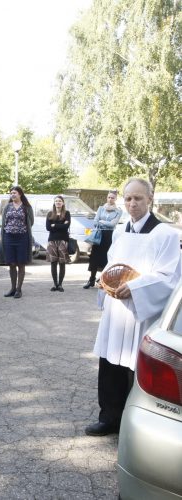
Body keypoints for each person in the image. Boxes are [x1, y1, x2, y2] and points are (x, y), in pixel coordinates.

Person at [85, 178, 181, 437]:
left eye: (138, 198)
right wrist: (104, 281)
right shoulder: (119, 231)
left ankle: (133, 425)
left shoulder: (166, 235)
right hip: (116, 310)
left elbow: (169, 276)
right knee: (109, 363)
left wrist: (137, 288)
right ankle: (109, 417)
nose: (132, 203)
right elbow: (111, 264)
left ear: (150, 199)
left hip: (141, 311)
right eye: (128, 198)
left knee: (136, 368)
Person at [0, 186, 34, 298]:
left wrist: (19, 228)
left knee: (21, 264)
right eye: (11, 193)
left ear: (20, 194)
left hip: (22, 238)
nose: (12, 195)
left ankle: (19, 289)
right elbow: (4, 222)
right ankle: (13, 288)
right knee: (12, 264)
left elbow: (30, 222)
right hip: (8, 238)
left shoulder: (26, 207)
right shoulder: (7, 207)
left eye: (14, 193)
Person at [83, 191, 122, 289]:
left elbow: (113, 224)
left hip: (109, 236)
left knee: (106, 258)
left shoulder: (118, 211)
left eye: (112, 198)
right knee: (94, 258)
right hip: (98, 234)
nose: (110, 199)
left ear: (115, 199)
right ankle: (91, 280)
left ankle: (103, 281)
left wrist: (102, 221)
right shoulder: (101, 208)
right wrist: (104, 222)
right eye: (109, 197)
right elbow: (95, 222)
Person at [46, 195, 71, 292]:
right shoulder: (50, 214)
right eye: (56, 201)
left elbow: (67, 226)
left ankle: (60, 284)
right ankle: (55, 284)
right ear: (54, 203)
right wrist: (61, 225)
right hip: (52, 240)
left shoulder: (67, 213)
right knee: (53, 263)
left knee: (62, 263)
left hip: (63, 240)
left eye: (60, 201)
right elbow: (48, 228)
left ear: (63, 203)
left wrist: (54, 225)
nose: (58, 202)